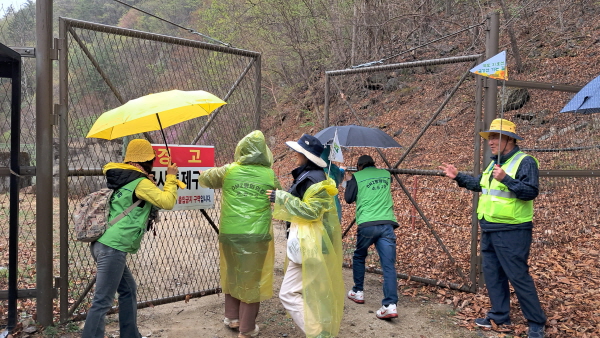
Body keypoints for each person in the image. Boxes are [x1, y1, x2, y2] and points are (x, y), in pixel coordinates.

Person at [438, 119, 547, 338]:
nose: (491, 142)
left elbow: (530, 192)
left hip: (513, 230)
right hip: (489, 228)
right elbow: (480, 184)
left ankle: (536, 322)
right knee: (493, 275)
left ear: (510, 139)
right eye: (489, 138)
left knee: (517, 275)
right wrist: (458, 176)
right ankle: (499, 316)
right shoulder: (494, 163)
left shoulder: (525, 162)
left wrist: (506, 179)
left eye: (496, 137)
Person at [82, 139, 182, 338]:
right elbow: (167, 201)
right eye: (151, 159)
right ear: (147, 160)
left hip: (103, 243)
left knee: (128, 289)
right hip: (112, 248)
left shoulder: (124, 177)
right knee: (102, 301)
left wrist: (150, 183)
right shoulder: (139, 182)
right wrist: (171, 179)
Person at [198, 130, 280, 338]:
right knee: (252, 280)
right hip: (256, 236)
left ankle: (232, 317)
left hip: (229, 233)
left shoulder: (229, 170)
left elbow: (205, 178)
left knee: (232, 273)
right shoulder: (269, 174)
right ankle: (247, 328)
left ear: (241, 150)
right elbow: (280, 198)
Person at [266, 134, 344, 338]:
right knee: (312, 292)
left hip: (308, 244)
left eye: (298, 152)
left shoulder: (313, 178)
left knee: (289, 293)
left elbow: (311, 212)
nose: (295, 155)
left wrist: (280, 197)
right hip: (309, 243)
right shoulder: (311, 175)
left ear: (306, 155)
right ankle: (321, 329)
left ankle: (319, 333)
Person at [343, 155, 399, 319]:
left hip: (367, 224)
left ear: (359, 167)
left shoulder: (356, 177)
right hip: (387, 224)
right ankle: (390, 305)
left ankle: (358, 291)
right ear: (373, 164)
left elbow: (348, 199)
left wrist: (348, 180)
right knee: (388, 265)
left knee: (360, 255)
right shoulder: (386, 174)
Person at [320, 143, 345, 221]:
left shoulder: (313, 169)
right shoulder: (333, 168)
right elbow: (339, 178)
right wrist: (342, 170)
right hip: (334, 207)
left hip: (319, 208)